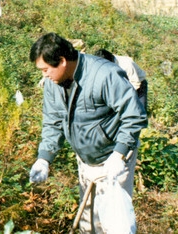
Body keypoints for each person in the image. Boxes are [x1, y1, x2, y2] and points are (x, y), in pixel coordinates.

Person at [28, 33, 147, 233]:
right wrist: (44, 158)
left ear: (62, 61)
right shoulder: (52, 83)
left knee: (116, 224)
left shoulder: (104, 74)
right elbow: (53, 121)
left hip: (114, 160)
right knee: (89, 221)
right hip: (85, 159)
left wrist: (119, 155)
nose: (44, 75)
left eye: (46, 70)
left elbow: (134, 115)